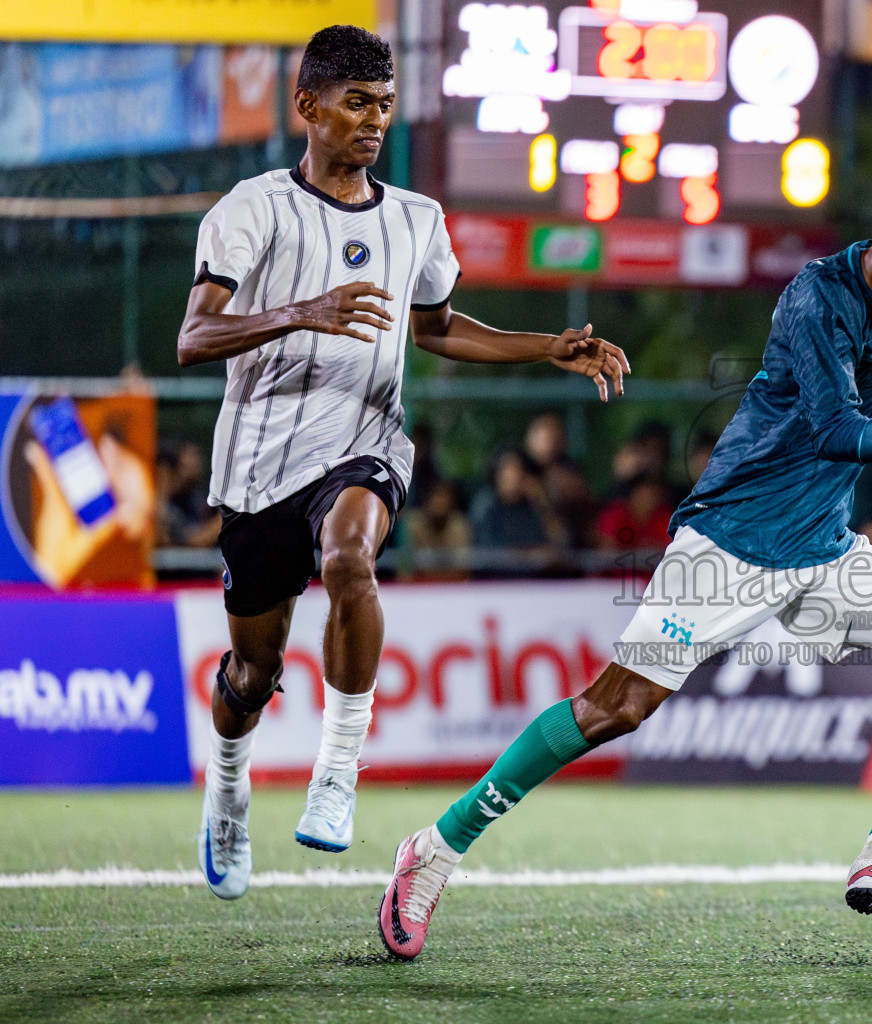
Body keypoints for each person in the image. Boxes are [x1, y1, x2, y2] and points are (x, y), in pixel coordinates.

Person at [375, 154, 872, 959]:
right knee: (614, 708)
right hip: (729, 544)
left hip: (822, 550)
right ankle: (432, 853)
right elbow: (837, 431)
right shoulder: (818, 298)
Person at [178, 25, 629, 901]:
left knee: (352, 556)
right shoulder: (251, 209)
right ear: (307, 106)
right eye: (356, 103)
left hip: (366, 438)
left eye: (384, 105)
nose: (373, 120)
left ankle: (338, 770)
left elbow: (438, 327)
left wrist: (547, 346)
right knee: (252, 672)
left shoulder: (417, 218)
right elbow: (195, 335)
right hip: (260, 460)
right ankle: (227, 789)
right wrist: (300, 311)